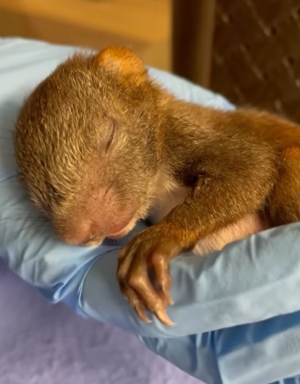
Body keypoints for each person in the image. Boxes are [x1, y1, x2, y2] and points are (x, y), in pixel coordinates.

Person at [1, 37, 300, 384]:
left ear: (130, 80)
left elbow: (251, 170)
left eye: (108, 139)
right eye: (46, 199)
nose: (80, 229)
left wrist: (175, 232)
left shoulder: (174, 127)